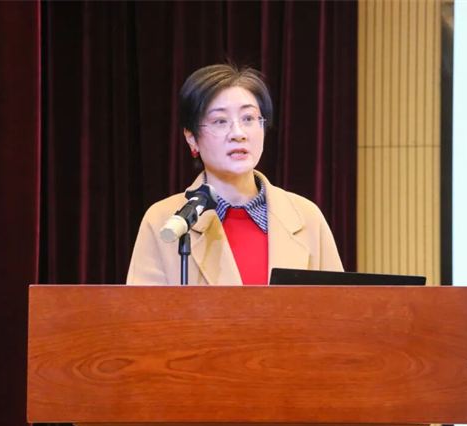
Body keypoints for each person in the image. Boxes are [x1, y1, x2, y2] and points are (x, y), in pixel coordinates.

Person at [127, 64, 343, 285]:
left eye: (248, 118)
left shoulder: (307, 217)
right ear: (192, 138)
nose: (238, 133)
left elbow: (339, 304)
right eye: (220, 121)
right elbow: (142, 307)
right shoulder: (163, 220)